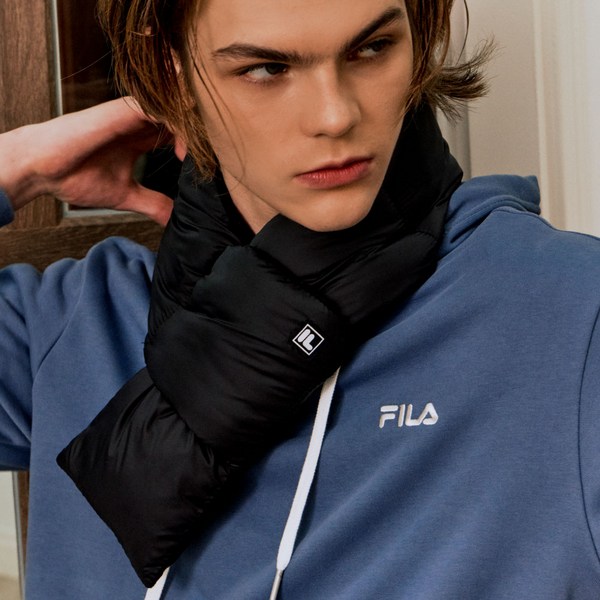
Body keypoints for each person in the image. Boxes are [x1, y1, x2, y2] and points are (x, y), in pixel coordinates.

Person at [2, 1, 600, 599]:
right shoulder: (76, 323)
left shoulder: (570, 316)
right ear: (172, 71)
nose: (335, 116)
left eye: (372, 49)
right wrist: (19, 167)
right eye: (266, 69)